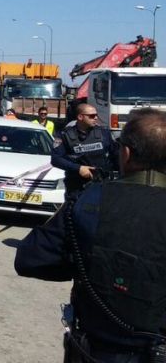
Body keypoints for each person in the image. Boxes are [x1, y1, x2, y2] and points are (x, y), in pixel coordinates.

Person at [15, 108, 166, 363]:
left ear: (126, 154)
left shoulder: (88, 202)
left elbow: (31, 258)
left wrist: (84, 261)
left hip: (96, 349)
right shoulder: (70, 139)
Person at [52, 103, 119, 200]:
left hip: (102, 184)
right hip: (77, 187)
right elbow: (56, 159)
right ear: (80, 117)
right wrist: (79, 168)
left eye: (96, 115)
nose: (96, 118)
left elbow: (116, 155)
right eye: (91, 116)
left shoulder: (104, 133)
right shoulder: (64, 135)